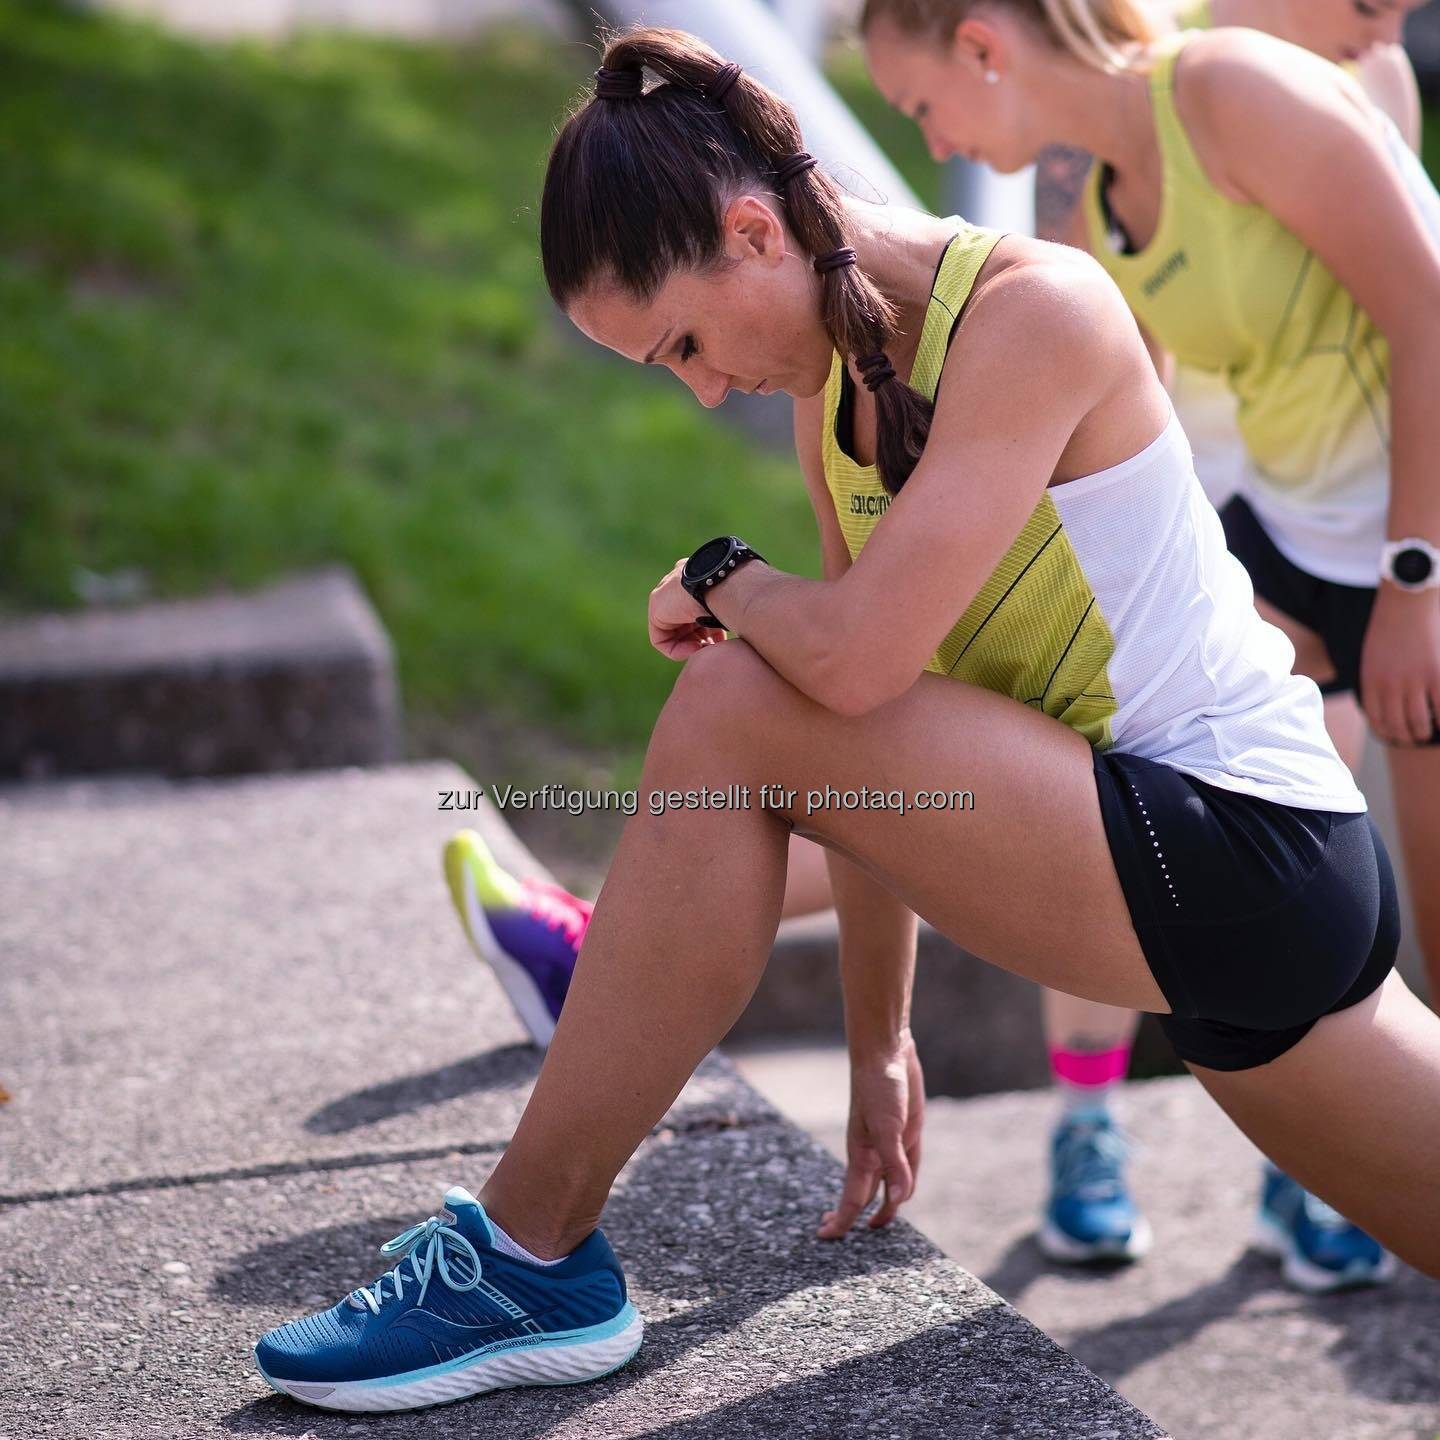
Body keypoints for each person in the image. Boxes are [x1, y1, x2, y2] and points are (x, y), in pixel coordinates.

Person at [253, 27, 1440, 1414]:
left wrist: (723, 576)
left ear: (755, 230)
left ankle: (528, 1249)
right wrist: (880, 1043)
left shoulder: (1034, 314)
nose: (699, 386)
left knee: (734, 699)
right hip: (1197, 904)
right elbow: (868, 735)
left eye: (685, 341)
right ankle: (535, 1234)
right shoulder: (840, 406)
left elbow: (858, 665)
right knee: (757, 698)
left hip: (1245, 853)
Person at [861, 0, 1440, 1288]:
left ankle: (1328, 1171)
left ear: (979, 44)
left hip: (1404, 549)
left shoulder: (1244, 86)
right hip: (1281, 535)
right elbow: (1141, 403)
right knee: (1119, 763)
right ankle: (1099, 1129)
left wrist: (1416, 577)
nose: (936, 136)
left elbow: (1427, 304)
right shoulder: (1089, 192)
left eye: (919, 105)